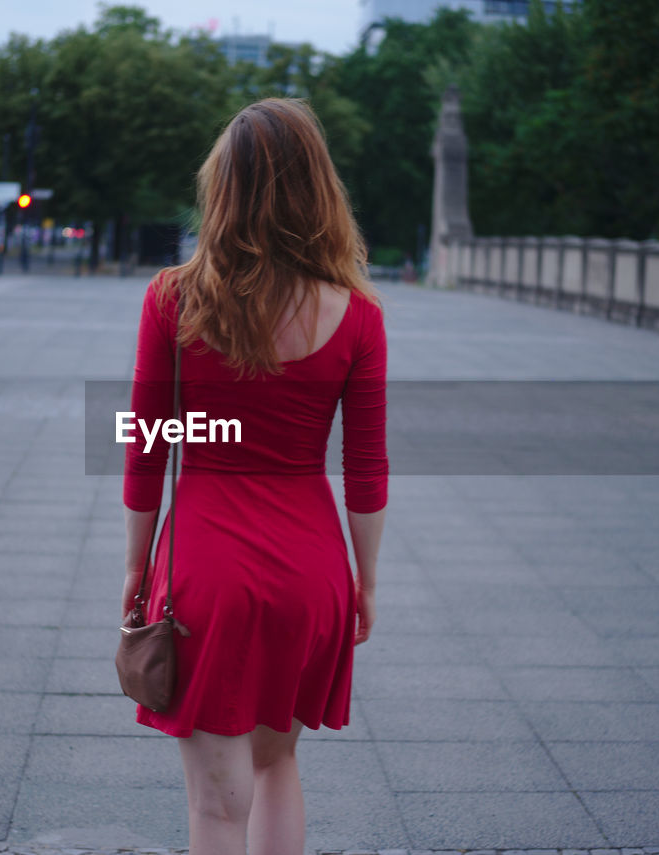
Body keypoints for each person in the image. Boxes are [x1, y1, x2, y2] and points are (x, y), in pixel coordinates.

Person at [122, 98, 387, 855]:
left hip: (207, 565)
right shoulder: (359, 317)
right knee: (278, 762)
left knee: (215, 807)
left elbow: (147, 449)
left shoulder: (173, 300)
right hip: (313, 571)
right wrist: (364, 580)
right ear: (318, 190)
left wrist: (137, 567)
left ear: (224, 188)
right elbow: (366, 468)